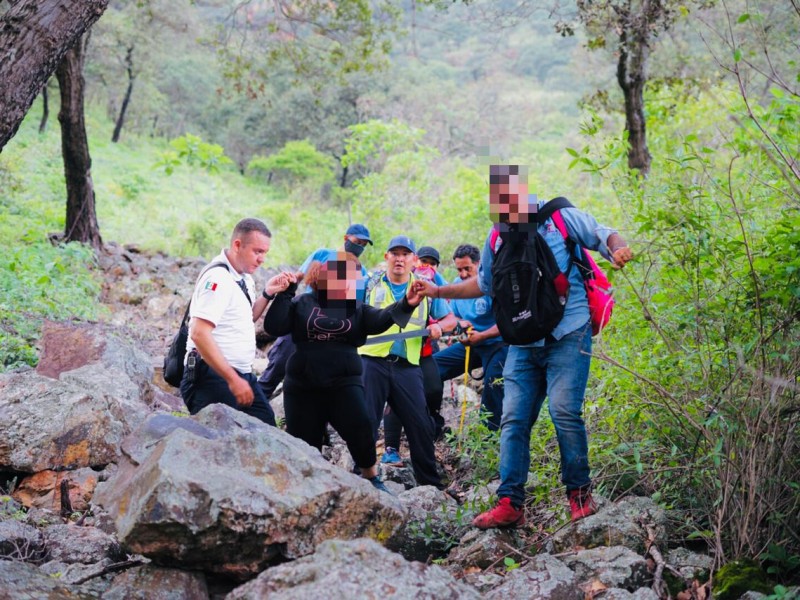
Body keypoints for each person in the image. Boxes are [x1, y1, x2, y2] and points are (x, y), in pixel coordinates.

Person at [414, 164, 633, 525]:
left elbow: (602, 233)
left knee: (564, 412)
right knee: (513, 419)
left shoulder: (559, 217)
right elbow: (483, 284)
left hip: (568, 332)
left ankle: (579, 494)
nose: (504, 207)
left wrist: (618, 248)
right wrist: (438, 290)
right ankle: (510, 502)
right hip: (522, 339)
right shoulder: (497, 236)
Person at [263, 252, 424, 493]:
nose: (348, 282)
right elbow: (274, 326)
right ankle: (307, 488)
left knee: (361, 429)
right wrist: (285, 293)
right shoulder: (303, 303)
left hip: (344, 383)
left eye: (352, 278)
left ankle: (370, 479)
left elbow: (382, 319)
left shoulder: (355, 308)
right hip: (303, 385)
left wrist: (407, 303)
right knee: (303, 442)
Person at [180, 218, 292, 425]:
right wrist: (232, 379)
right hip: (211, 376)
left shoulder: (243, 278)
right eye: (257, 251)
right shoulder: (218, 279)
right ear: (237, 245)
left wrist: (267, 293)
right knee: (218, 444)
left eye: (265, 253)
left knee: (265, 428)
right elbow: (199, 332)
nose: (261, 259)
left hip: (241, 375)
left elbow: (245, 318)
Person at [359, 236, 451, 489]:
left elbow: (450, 319)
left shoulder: (427, 288)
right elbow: (347, 311)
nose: (400, 258)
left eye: (405, 254)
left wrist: (439, 327)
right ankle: (361, 477)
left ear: (414, 260)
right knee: (365, 420)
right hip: (372, 360)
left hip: (407, 364)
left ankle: (431, 485)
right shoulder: (370, 284)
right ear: (387, 257)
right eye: (395, 253)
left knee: (420, 424)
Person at [258, 223, 373, 400]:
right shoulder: (323, 255)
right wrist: (285, 288)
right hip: (302, 319)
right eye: (357, 242)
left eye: (364, 245)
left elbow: (357, 304)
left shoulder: (360, 269)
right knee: (277, 367)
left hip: (331, 331)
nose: (360, 247)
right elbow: (298, 277)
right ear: (346, 238)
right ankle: (249, 410)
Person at [381, 246, 457, 466]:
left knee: (433, 388)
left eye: (432, 263)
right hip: (388, 354)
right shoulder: (382, 283)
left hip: (421, 351)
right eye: (424, 261)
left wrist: (440, 327)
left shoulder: (432, 283)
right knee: (395, 398)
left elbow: (449, 317)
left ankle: (428, 432)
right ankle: (391, 448)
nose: (427, 266)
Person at [432, 244, 508, 431]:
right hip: (471, 343)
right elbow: (454, 316)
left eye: (468, 268)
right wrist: (461, 327)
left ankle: (489, 436)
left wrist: (482, 335)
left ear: (479, 264)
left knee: (493, 383)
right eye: (460, 269)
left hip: (498, 343)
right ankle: (431, 423)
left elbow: (507, 321)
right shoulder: (458, 285)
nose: (464, 274)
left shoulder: (492, 284)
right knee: (432, 368)